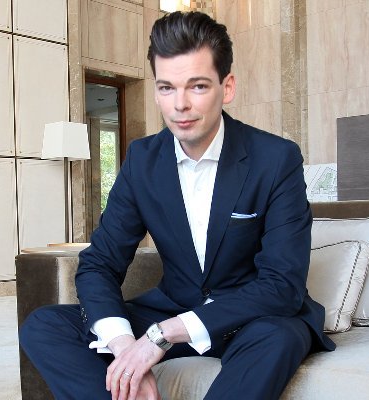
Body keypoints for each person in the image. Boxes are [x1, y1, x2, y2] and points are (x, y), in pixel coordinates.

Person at [20, 11, 335, 400]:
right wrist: (126, 350)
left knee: (279, 337)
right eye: (167, 88)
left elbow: (282, 285)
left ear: (227, 87)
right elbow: (99, 264)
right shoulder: (142, 161)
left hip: (252, 318)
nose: (180, 105)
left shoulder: (275, 158)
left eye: (197, 86)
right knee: (44, 325)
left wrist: (162, 335)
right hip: (172, 307)